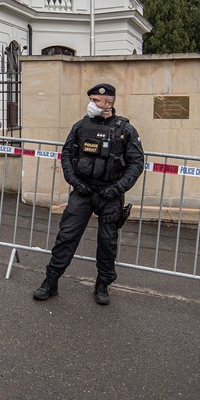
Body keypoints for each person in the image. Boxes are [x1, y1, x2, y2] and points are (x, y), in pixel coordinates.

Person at [33, 83, 144, 306]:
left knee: (107, 242)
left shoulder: (126, 130)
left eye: (95, 100)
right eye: (91, 100)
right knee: (66, 236)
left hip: (110, 194)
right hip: (83, 191)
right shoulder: (80, 126)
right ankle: (51, 281)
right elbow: (66, 155)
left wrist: (117, 188)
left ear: (109, 103)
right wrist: (74, 181)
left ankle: (102, 284)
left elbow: (136, 163)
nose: (91, 104)